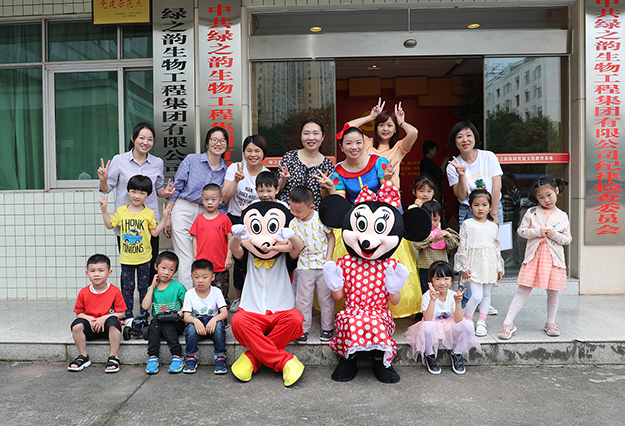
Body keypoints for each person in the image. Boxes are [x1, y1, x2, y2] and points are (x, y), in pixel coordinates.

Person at [316, 127, 421, 319]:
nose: (354, 147)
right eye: (348, 143)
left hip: (382, 224)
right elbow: (341, 203)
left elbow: (389, 195)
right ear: (341, 147)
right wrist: (330, 188)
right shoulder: (337, 171)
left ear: (364, 144)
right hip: (356, 224)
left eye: (358, 142)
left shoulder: (378, 162)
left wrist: (388, 180)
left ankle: (384, 310)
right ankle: (356, 305)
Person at [229, 201, 306, 387]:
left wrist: (290, 235)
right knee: (237, 321)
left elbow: (298, 247)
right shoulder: (247, 256)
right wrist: (237, 236)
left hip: (281, 312)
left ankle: (252, 359)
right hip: (252, 312)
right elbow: (234, 248)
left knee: (296, 318)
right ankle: (284, 361)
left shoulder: (285, 256)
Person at [98, 122, 176, 283]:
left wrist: (165, 193)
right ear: (133, 138)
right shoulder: (119, 160)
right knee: (127, 268)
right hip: (126, 223)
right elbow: (106, 189)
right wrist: (104, 180)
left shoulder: (157, 163)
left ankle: (149, 298)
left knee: (151, 266)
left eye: (150, 139)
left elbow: (158, 189)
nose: (145, 142)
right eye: (142, 138)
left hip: (149, 222)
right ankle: (126, 298)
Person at [498, 177, 571, 340]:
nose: (546, 200)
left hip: (554, 259)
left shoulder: (562, 215)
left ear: (556, 191)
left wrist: (555, 235)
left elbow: (567, 239)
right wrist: (537, 232)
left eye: (549, 195)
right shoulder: (532, 212)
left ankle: (551, 322)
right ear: (536, 198)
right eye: (541, 197)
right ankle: (508, 323)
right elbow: (521, 231)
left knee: (553, 291)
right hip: (534, 257)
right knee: (523, 289)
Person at [99, 174, 172, 326]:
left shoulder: (149, 213)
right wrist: (104, 210)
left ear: (148, 195)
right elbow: (110, 225)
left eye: (141, 193)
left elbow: (154, 233)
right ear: (128, 191)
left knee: (144, 288)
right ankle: (128, 317)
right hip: (126, 259)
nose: (137, 196)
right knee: (128, 288)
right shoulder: (121, 211)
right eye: (133, 191)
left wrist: (165, 219)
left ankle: (143, 315)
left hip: (145, 258)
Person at [446, 121, 503, 315]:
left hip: (491, 206)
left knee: (489, 251)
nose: (465, 140)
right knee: (468, 253)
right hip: (468, 209)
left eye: (468, 135)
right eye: (460, 136)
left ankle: (485, 298)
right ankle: (470, 299)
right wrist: (461, 175)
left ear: (475, 137)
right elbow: (461, 195)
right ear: (455, 141)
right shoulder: (453, 165)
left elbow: (497, 187)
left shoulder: (488, 156)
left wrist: (493, 213)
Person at [167, 127, 229, 289]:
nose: (218, 143)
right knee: (186, 257)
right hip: (184, 208)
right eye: (214, 139)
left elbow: (222, 202)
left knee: (203, 256)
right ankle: (187, 297)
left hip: (208, 213)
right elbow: (177, 187)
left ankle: (205, 297)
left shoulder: (226, 171)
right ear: (207, 143)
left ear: (226, 146)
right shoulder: (192, 160)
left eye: (222, 140)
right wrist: (167, 216)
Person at [405, 261, 479, 375]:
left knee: (468, 324)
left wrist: (458, 302)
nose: (442, 283)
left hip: (449, 329)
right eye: (438, 279)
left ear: (451, 280)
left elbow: (459, 320)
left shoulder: (453, 295)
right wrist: (433, 300)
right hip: (433, 330)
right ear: (431, 281)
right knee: (427, 325)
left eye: (446, 278)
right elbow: (427, 318)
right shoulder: (427, 296)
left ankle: (457, 354)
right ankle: (430, 355)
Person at [223, 135, 270, 312]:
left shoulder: (266, 173)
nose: (253, 154)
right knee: (238, 259)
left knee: (256, 258)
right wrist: (236, 180)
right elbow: (225, 197)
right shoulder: (235, 168)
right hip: (236, 219)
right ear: (243, 152)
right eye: (249, 150)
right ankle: (238, 297)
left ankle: (256, 297)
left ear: (263, 153)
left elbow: (269, 197)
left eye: (257, 151)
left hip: (257, 223)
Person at [289, 186, 336, 344]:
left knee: (325, 299)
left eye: (298, 211)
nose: (294, 213)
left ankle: (328, 328)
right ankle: (302, 329)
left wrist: (329, 257)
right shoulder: (293, 224)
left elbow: (331, 237)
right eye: (292, 209)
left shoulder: (320, 218)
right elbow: (294, 245)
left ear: (311, 207)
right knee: (303, 300)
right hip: (304, 266)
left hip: (323, 266)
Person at [455, 188, 504, 337]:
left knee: (487, 295)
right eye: (476, 205)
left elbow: (497, 248)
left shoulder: (493, 226)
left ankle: (482, 322)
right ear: (470, 207)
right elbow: (462, 247)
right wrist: (464, 266)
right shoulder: (467, 224)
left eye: (484, 205)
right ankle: (467, 320)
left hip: (489, 265)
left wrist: (499, 268)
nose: (480, 208)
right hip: (474, 265)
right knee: (476, 295)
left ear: (490, 207)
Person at [345, 97, 419, 191]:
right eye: (381, 125)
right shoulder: (366, 142)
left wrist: (401, 122)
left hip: (390, 194)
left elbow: (413, 132)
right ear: (376, 128)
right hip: (367, 194)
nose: (385, 129)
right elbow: (348, 128)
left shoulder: (399, 147)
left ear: (395, 129)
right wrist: (370, 117)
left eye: (389, 125)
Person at [68, 254, 126, 373]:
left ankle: (114, 356)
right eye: (92, 270)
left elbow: (121, 313)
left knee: (114, 321)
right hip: (92, 327)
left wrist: (104, 318)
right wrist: (89, 319)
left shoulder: (115, 291)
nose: (96, 274)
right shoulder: (83, 292)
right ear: (87, 273)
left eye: (101, 270)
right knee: (76, 325)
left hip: (107, 329)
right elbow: (79, 314)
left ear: (109, 273)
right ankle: (83, 356)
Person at [141, 251, 187, 374]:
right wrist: (152, 286)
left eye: (171, 270)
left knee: (167, 325)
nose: (166, 272)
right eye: (163, 268)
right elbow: (145, 306)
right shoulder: (152, 288)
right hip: (159, 322)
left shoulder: (178, 287)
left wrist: (179, 314)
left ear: (175, 271)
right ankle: (153, 357)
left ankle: (177, 356)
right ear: (156, 267)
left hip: (176, 322)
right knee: (154, 323)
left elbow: (187, 304)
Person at [190, 183, 233, 308]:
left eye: (213, 199)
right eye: (206, 199)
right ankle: (206, 314)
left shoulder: (224, 219)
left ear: (220, 200)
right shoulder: (199, 219)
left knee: (221, 295)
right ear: (202, 200)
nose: (210, 202)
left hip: (220, 265)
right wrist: (195, 257)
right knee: (203, 293)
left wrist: (229, 257)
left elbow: (230, 239)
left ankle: (222, 316)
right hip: (203, 266)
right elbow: (194, 238)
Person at [182, 259, 228, 374]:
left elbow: (224, 313)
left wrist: (214, 319)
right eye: (196, 277)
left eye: (205, 277)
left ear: (212, 277)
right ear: (191, 277)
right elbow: (186, 317)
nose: (200, 280)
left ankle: (220, 356)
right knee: (190, 328)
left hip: (212, 325)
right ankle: (191, 356)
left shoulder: (216, 292)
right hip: (198, 327)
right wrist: (195, 321)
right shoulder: (189, 294)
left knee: (219, 326)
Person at [278, 119, 335, 208]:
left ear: (323, 137)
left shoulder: (328, 165)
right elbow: (277, 189)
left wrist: (324, 187)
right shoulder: (289, 157)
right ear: (301, 136)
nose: (311, 138)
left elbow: (325, 199)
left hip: (313, 212)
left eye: (315, 133)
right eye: (306, 133)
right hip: (288, 210)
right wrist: (283, 179)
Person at [412, 201, 460, 295]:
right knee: (426, 291)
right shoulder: (421, 233)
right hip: (425, 268)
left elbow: (454, 243)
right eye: (429, 219)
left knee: (441, 291)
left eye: (435, 220)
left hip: (441, 268)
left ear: (440, 219)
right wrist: (431, 240)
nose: (432, 223)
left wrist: (448, 234)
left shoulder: (443, 232)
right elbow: (417, 245)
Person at [502, 172, 523, 266]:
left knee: (514, 239)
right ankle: (511, 257)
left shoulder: (515, 191)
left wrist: (515, 221)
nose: (505, 182)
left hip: (511, 219)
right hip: (506, 219)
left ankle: (516, 258)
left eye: (507, 180)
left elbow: (517, 207)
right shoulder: (507, 191)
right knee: (510, 239)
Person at [419, 139, 448, 207]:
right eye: (435, 150)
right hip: (431, 191)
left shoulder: (429, 161)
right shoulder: (426, 162)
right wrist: (443, 164)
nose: (436, 152)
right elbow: (437, 174)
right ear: (430, 150)